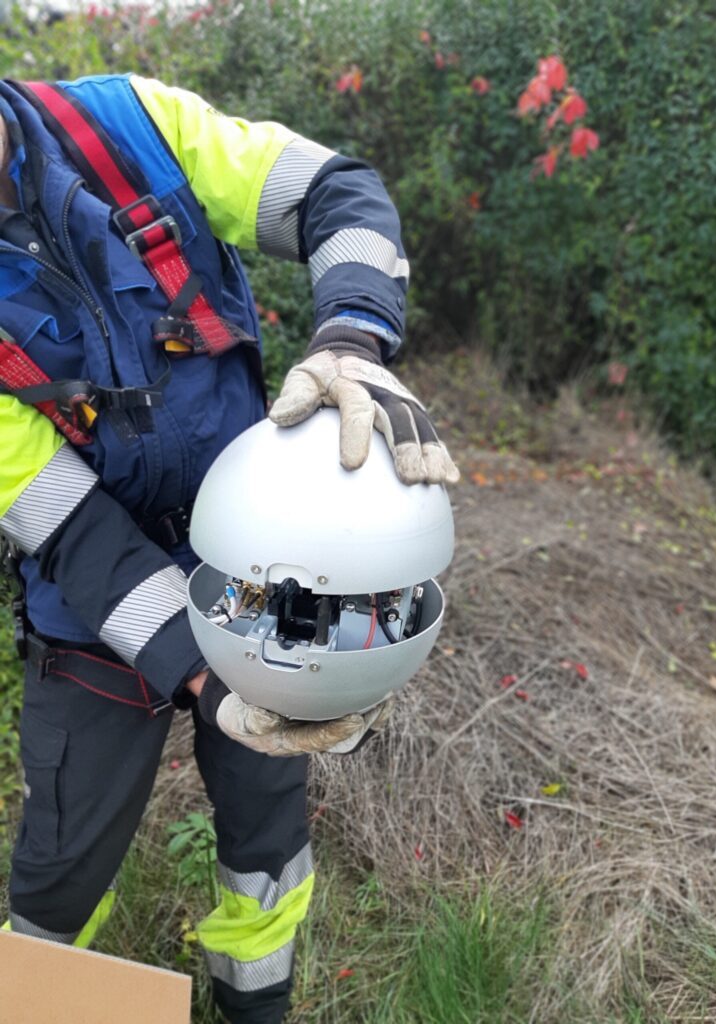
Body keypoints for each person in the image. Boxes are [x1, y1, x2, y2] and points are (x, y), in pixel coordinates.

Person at [0, 73, 458, 1023]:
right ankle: (51, 1003)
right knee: (57, 871)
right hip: (90, 609)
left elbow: (341, 195)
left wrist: (355, 341)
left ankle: (257, 1007)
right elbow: (70, 527)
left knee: (265, 830)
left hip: (260, 572)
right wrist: (204, 670)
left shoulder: (129, 124)